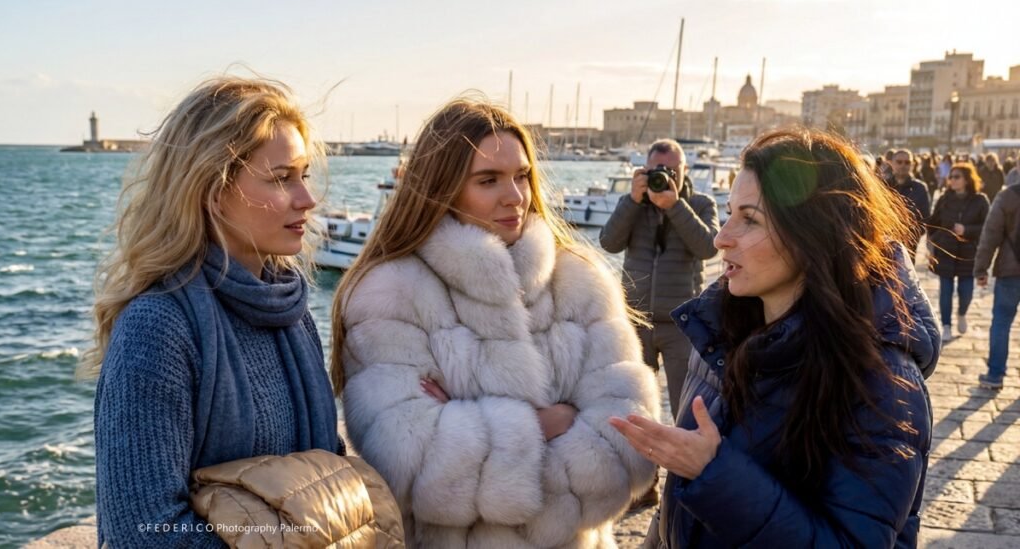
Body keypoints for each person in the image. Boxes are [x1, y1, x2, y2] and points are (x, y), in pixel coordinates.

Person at [332, 98, 660, 547]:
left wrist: (470, 428)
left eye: (522, 175)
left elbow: (631, 440)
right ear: (443, 188)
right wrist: (544, 425)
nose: (516, 196)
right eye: (488, 180)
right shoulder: (390, 293)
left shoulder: (580, 280)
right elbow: (404, 461)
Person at [609, 128, 939, 548]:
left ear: (815, 234)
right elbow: (679, 504)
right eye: (729, 213)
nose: (721, 237)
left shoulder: (884, 384)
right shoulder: (718, 335)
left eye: (749, 219)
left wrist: (714, 473)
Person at [83, 77, 345, 546]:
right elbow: (142, 534)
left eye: (303, 174)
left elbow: (325, 473)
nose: (307, 198)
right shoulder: (157, 329)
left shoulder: (290, 309)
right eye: (281, 177)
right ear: (212, 189)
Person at [599, 139, 719, 420]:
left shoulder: (700, 204)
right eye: (656, 170)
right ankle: (641, 464)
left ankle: (680, 465)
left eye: (672, 171)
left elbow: (708, 247)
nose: (663, 176)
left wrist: (675, 206)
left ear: (685, 170)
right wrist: (631, 201)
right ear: (644, 170)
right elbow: (608, 242)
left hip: (682, 323)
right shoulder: (632, 204)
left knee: (686, 408)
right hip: (637, 320)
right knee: (635, 407)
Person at [927, 162, 990, 341]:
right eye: (951, 176)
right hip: (946, 251)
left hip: (969, 253)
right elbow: (933, 223)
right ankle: (946, 325)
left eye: (956, 177)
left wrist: (967, 229)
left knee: (967, 292)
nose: (952, 180)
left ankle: (962, 313)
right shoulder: (944, 198)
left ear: (967, 179)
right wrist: (936, 239)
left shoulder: (980, 200)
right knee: (945, 291)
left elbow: (988, 227)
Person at [973, 182, 1020, 389]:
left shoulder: (1008, 196)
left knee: (1001, 322)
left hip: (1011, 270)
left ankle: (995, 375)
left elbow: (990, 235)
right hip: (1010, 271)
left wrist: (981, 269)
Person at [887, 148, 930, 262]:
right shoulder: (882, 185)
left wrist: (912, 236)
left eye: (907, 162)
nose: (903, 165)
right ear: (892, 163)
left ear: (912, 164)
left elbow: (925, 218)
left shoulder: (920, 188)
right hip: (883, 244)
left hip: (908, 245)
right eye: (899, 162)